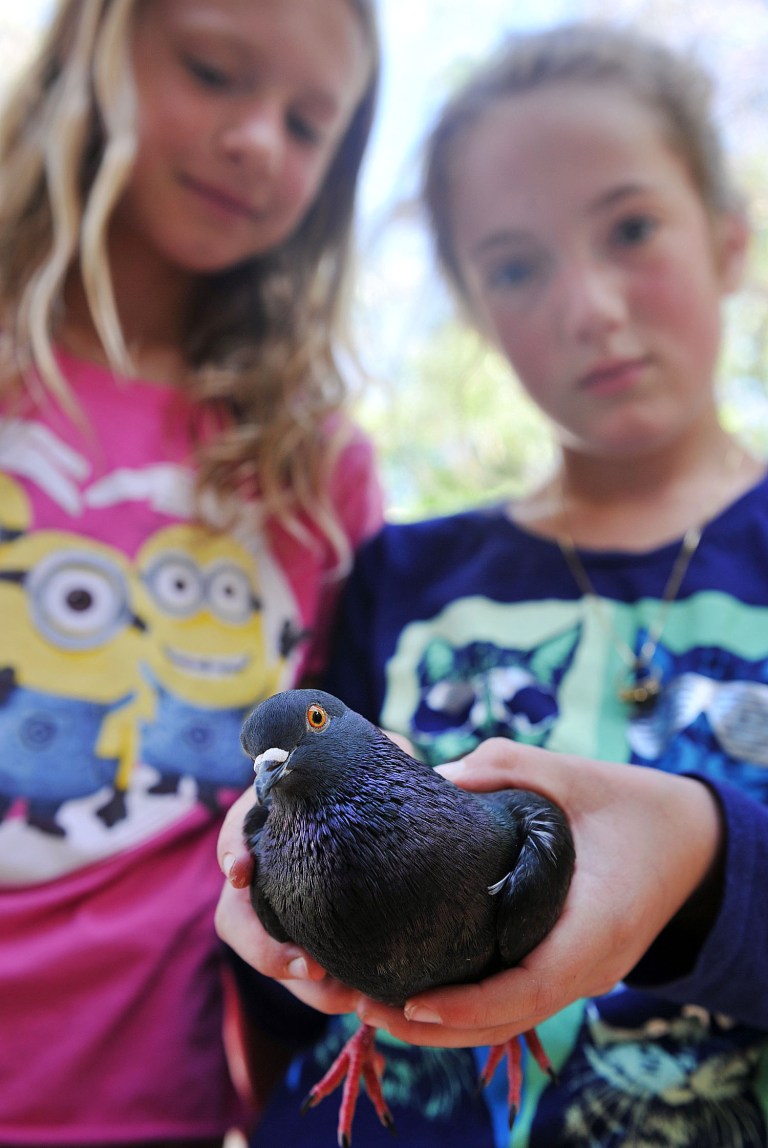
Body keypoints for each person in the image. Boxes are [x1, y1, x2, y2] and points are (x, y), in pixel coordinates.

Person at [216, 19, 768, 1148]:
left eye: (631, 227)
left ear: (729, 237)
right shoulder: (403, 576)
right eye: (516, 265)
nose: (590, 307)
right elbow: (279, 987)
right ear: (474, 307)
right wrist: (266, 897)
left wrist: (710, 860)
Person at [0, 1, 382, 1145]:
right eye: (214, 71)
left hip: (127, 1095)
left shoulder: (311, 469)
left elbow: (303, 811)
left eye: (311, 125)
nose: (260, 139)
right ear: (90, 48)